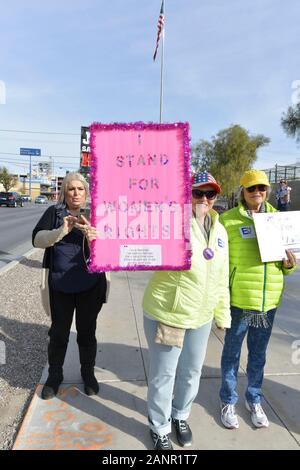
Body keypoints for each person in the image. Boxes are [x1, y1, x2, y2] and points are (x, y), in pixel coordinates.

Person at [142, 172, 231, 450]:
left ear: (216, 197)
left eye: (210, 194)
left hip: (201, 316)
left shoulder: (220, 230)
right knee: (164, 374)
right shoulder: (170, 222)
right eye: (197, 193)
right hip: (170, 314)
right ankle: (159, 426)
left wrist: (222, 315)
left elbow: (221, 276)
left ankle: (180, 415)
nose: (204, 199)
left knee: (192, 371)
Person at [219, 169, 297, 429]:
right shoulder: (227, 221)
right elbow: (218, 261)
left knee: (258, 355)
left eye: (262, 188)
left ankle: (254, 398)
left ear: (268, 191)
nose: (257, 193)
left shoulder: (280, 219)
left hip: (267, 303)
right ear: (243, 190)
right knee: (231, 353)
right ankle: (228, 400)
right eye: (251, 188)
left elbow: (287, 265)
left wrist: (290, 264)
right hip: (239, 301)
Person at [32, 172, 108, 400]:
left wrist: (96, 236)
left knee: (87, 333)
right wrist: (61, 231)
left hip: (90, 285)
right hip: (60, 285)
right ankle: (55, 375)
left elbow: (114, 248)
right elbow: (36, 239)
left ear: (87, 192)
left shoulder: (97, 214)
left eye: (80, 189)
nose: (76, 193)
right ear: (64, 192)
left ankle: (88, 374)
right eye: (71, 189)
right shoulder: (54, 213)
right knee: (58, 334)